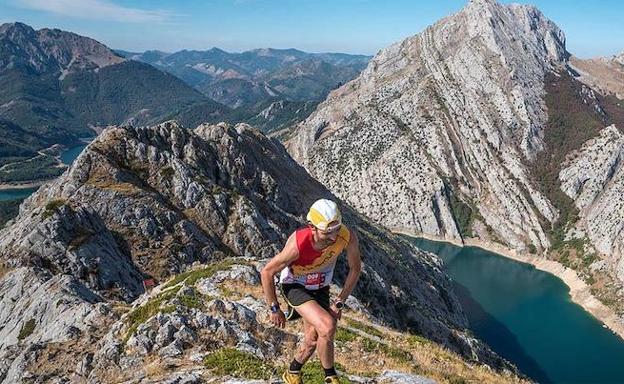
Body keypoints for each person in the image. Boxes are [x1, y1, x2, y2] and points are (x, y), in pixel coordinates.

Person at [261, 198, 362, 384]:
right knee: (328, 325)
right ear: (312, 227)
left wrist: (339, 301)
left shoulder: (346, 236)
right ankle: (331, 378)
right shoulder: (298, 245)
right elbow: (267, 272)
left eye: (336, 230)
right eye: (327, 232)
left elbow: (356, 269)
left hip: (320, 287)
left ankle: (292, 372)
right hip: (295, 285)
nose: (333, 237)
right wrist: (274, 309)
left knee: (312, 340)